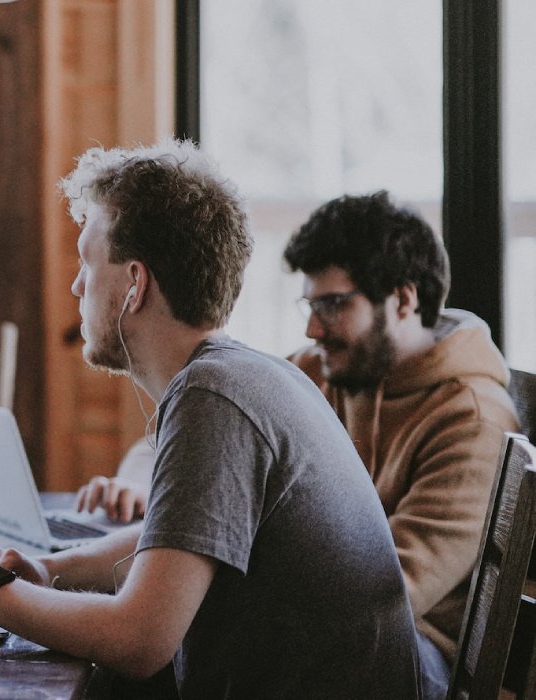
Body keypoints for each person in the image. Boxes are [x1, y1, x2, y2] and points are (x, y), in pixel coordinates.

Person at [0, 141, 421, 698]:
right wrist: (47, 569)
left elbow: (139, 639)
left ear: (135, 284)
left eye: (88, 262)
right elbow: (177, 537)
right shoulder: (246, 375)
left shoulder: (213, 396)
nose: (77, 285)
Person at [73, 191, 518, 682]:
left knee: (138, 640)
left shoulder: (473, 418)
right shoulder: (319, 368)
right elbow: (183, 442)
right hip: (311, 623)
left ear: (404, 299)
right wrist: (147, 489)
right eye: (309, 303)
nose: (312, 327)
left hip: (408, 657)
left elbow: (388, 593)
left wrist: (181, 569)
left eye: (332, 305)